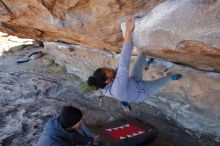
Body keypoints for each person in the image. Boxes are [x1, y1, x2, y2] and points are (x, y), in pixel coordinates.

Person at [87, 18, 182, 104]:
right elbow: (124, 61)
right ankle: (172, 78)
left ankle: (146, 65)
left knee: (142, 56)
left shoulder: (107, 81)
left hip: (134, 81)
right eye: (108, 71)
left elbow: (120, 67)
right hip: (143, 92)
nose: (111, 69)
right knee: (162, 82)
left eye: (106, 68)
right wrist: (128, 32)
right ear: (108, 81)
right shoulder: (116, 89)